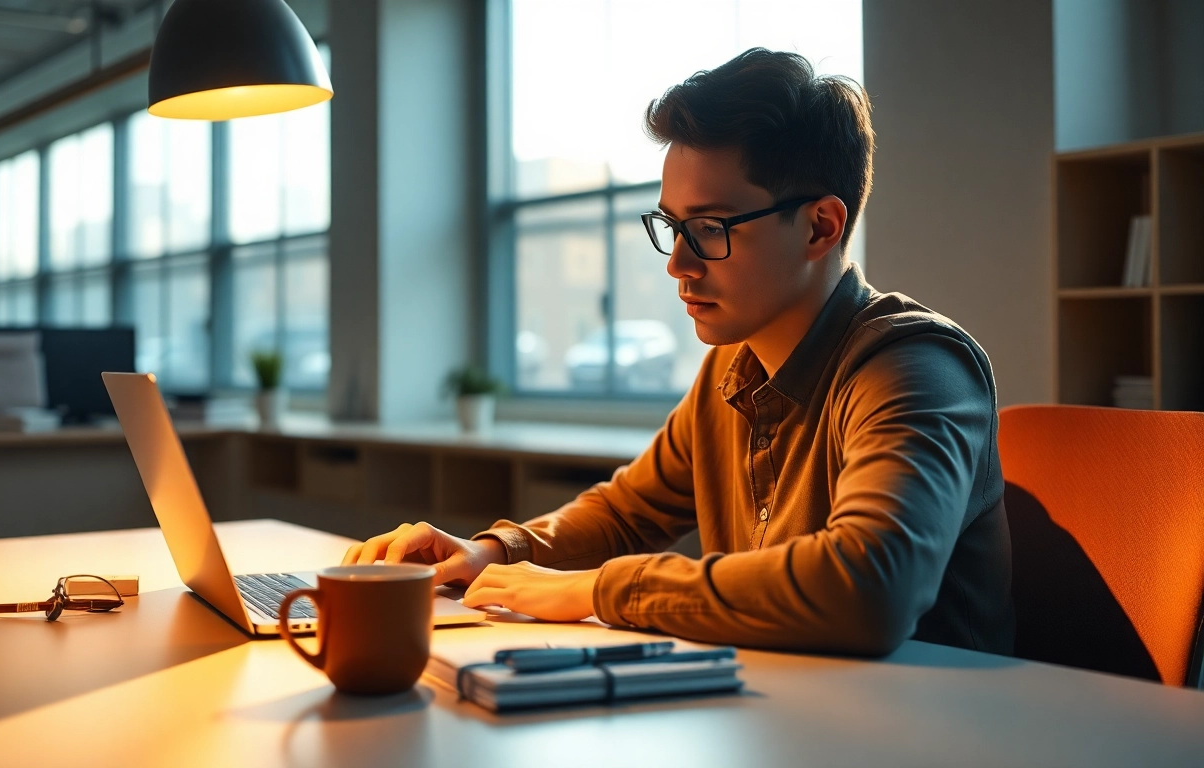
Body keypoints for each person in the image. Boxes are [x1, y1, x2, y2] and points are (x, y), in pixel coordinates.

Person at [342, 48, 1015, 656]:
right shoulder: (733, 364)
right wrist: (491, 552)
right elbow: (627, 510)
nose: (680, 265)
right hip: (783, 717)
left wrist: (597, 591)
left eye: (711, 228)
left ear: (820, 226)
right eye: (672, 227)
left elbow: (870, 589)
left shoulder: (915, 367)